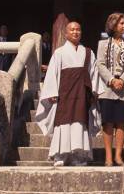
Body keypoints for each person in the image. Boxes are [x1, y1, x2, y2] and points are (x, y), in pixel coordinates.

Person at [34, 22, 99, 166]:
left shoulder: (88, 52)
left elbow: (93, 73)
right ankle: (61, 155)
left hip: (82, 93)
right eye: (72, 29)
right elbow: (52, 74)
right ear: (66, 33)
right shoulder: (59, 53)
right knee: (63, 122)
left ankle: (79, 156)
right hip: (64, 93)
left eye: (78, 29)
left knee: (79, 122)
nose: (75, 32)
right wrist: (52, 91)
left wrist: (94, 90)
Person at [95, 12, 124, 166]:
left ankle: (118, 156)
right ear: (113, 25)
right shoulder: (103, 44)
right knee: (108, 122)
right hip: (108, 88)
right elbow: (100, 64)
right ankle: (108, 156)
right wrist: (112, 80)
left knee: (122, 122)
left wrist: (123, 80)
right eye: (121, 23)